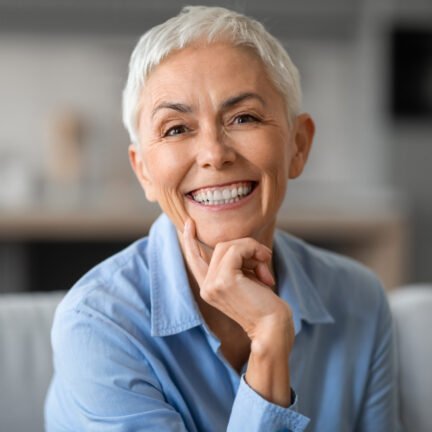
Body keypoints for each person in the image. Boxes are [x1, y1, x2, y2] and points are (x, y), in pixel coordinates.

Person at [45, 6, 400, 431]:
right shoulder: (97, 325)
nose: (215, 154)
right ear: (144, 172)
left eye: (244, 117)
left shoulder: (360, 301)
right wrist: (269, 345)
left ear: (299, 146)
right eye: (176, 129)